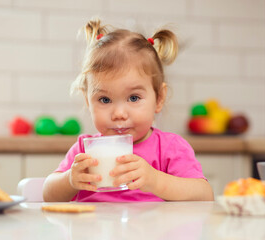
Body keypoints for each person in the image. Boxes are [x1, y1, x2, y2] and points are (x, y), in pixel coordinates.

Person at [43, 18, 214, 202]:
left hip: (152, 231)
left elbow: (204, 195)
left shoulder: (169, 149)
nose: (119, 114)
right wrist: (69, 180)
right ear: (88, 100)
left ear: (159, 98)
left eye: (133, 98)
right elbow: (48, 195)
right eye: (104, 99)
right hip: (91, 230)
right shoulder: (85, 150)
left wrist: (155, 180)